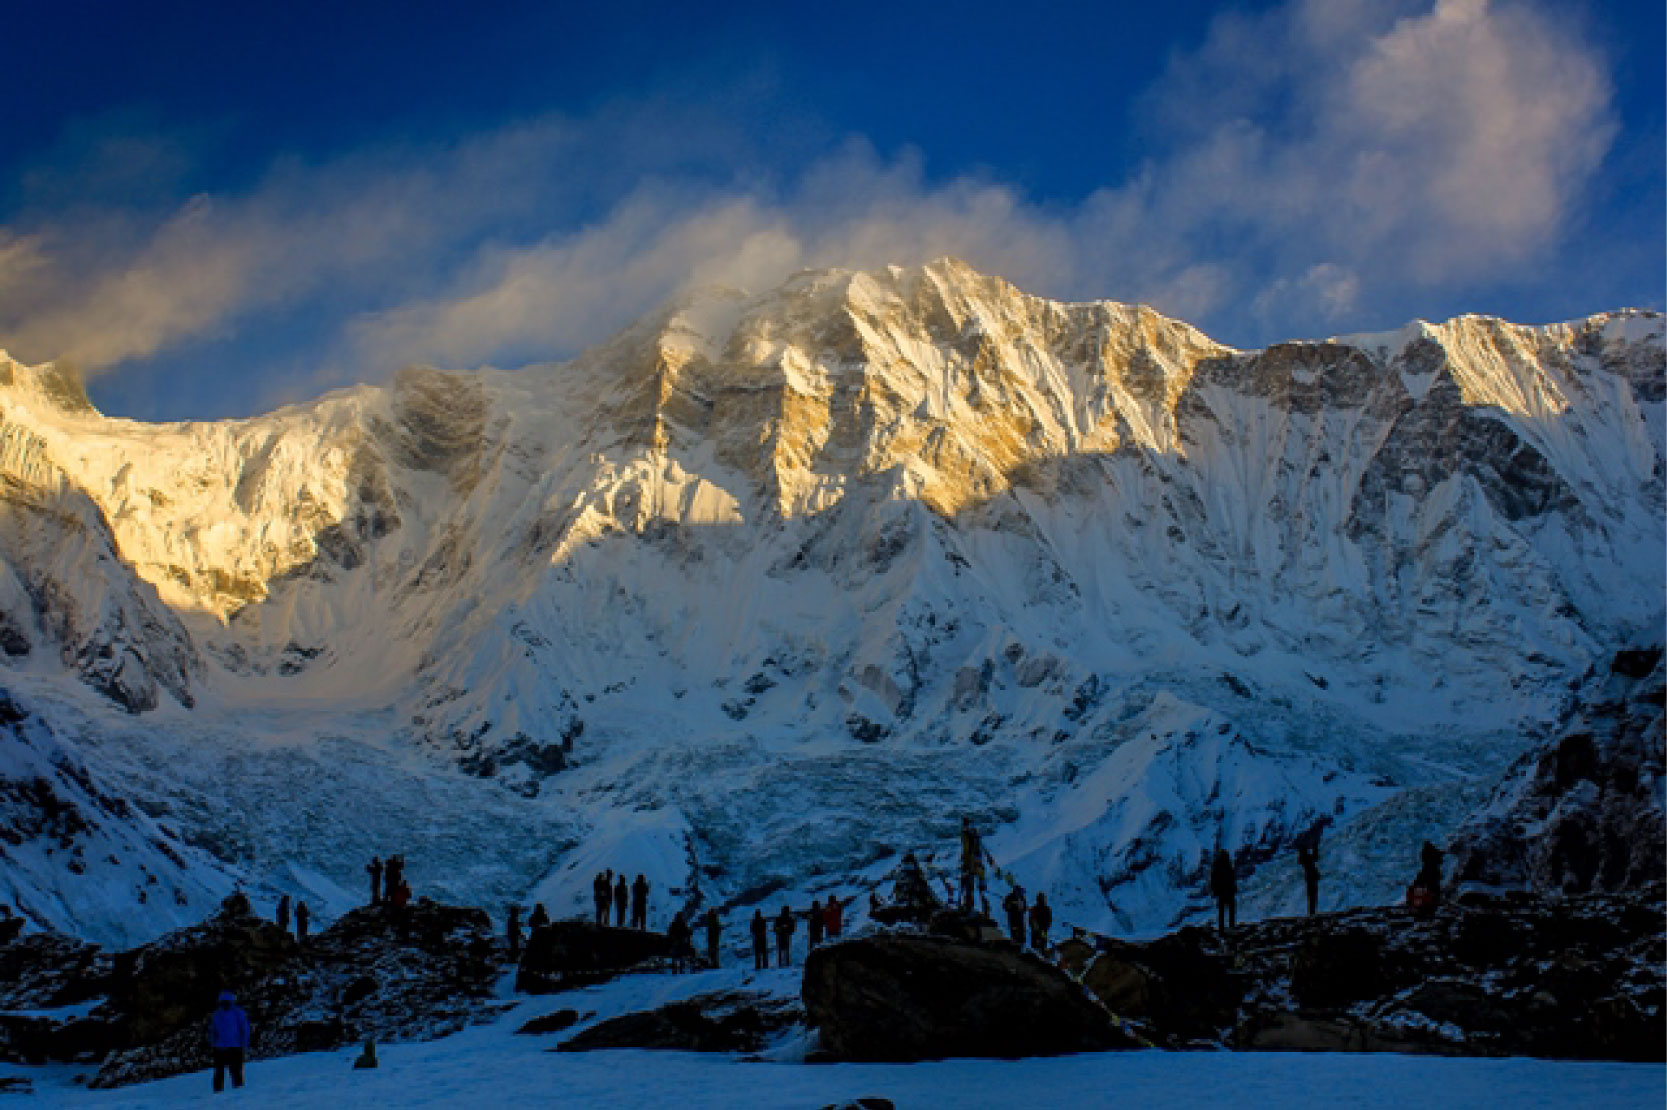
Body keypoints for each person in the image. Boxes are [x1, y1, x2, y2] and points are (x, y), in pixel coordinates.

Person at [209, 990, 251, 1092]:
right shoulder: (218, 1014)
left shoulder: (237, 1013)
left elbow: (244, 1029)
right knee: (222, 1071)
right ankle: (222, 1091)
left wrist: (244, 1042)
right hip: (224, 1047)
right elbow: (213, 1030)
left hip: (232, 1046)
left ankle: (235, 1090)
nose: (225, 1004)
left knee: (234, 1071)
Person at [958, 817, 986, 912]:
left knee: (968, 886)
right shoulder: (975, 839)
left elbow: (966, 849)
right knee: (970, 886)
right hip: (974, 864)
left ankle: (968, 906)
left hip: (970, 864)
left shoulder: (967, 836)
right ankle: (971, 906)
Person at [1210, 848, 1237, 931]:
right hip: (1228, 890)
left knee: (1222, 911)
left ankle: (1221, 929)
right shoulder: (1228, 865)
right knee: (1230, 909)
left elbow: (1213, 879)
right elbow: (1232, 877)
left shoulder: (1216, 865)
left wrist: (1215, 890)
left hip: (1221, 891)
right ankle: (1231, 926)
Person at [1298, 844, 1321, 917]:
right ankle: (1312, 912)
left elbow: (1314, 857)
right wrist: (1315, 847)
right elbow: (1315, 857)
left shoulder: (1304, 859)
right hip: (1311, 878)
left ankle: (1312, 912)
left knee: (1311, 896)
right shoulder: (1306, 859)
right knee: (1313, 895)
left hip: (1310, 878)